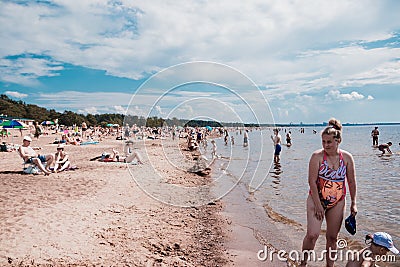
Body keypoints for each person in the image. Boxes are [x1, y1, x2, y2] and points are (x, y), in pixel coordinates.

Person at [300, 118, 357, 267]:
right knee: (312, 235)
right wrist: (318, 206)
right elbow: (311, 181)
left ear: (338, 140)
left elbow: (351, 182)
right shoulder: (317, 157)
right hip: (316, 199)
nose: (325, 145)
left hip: (337, 201)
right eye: (323, 142)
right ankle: (303, 263)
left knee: (332, 237)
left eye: (329, 142)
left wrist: (354, 204)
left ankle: (329, 266)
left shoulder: (347, 158)